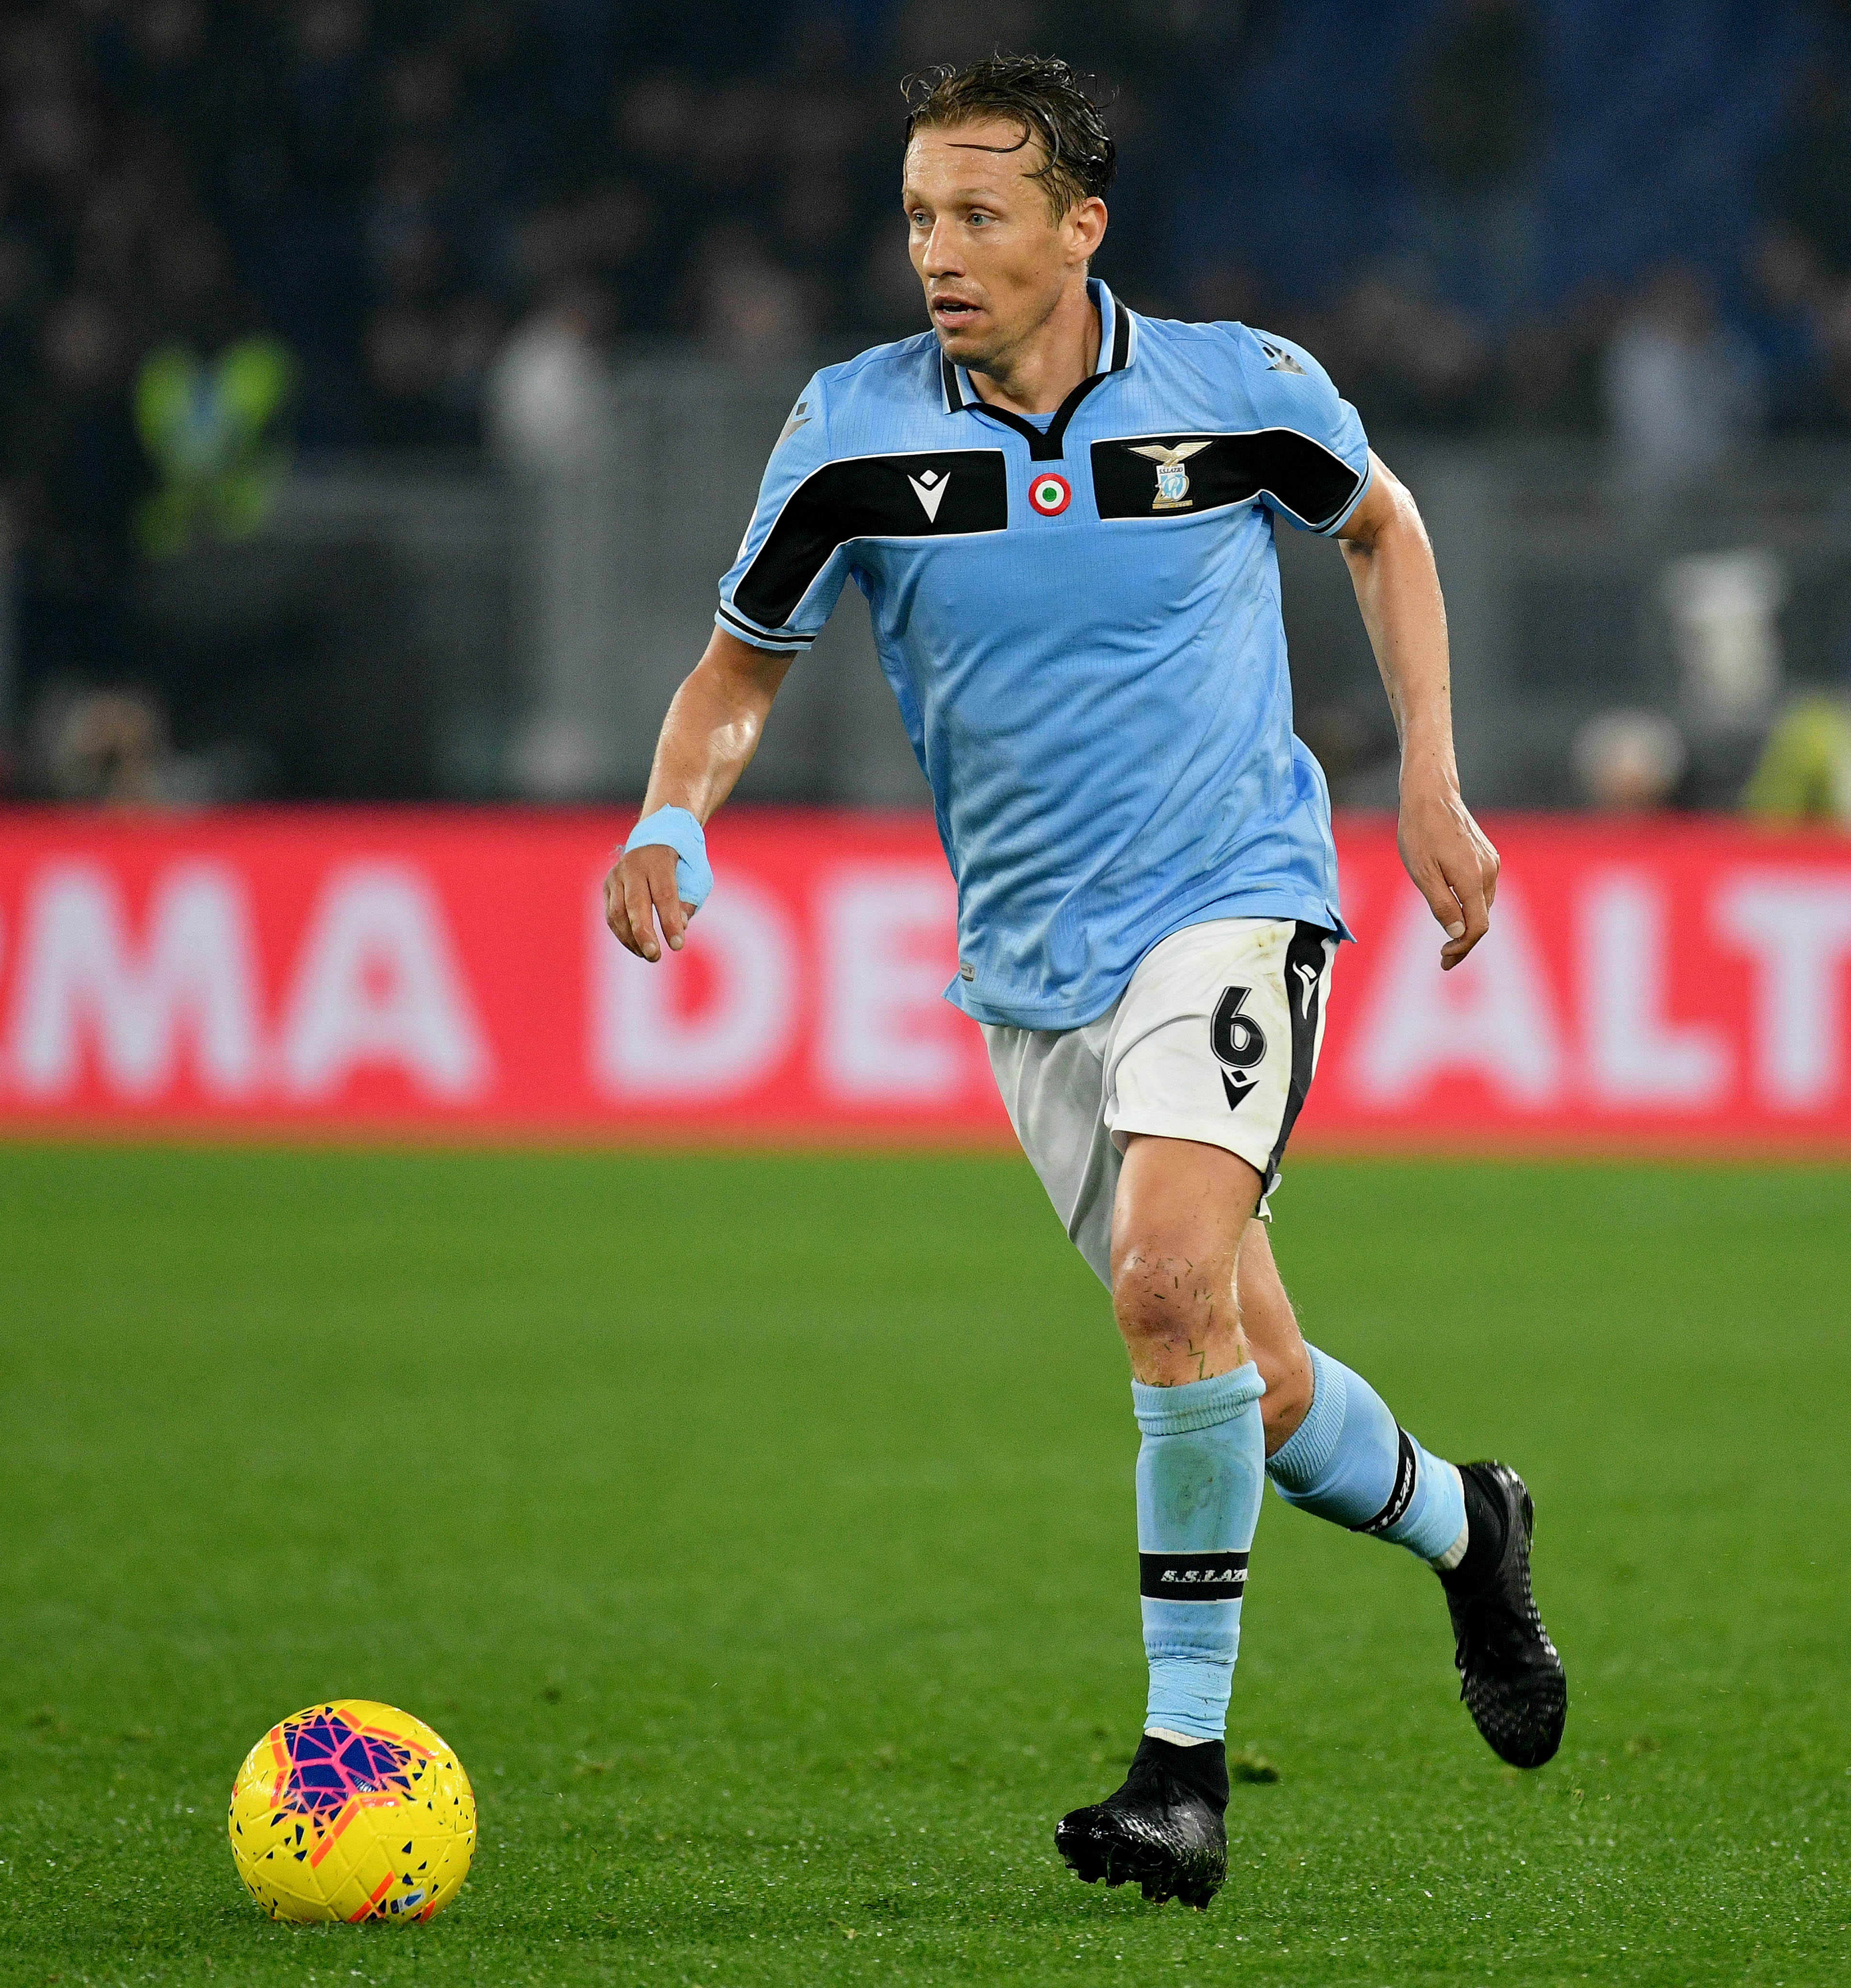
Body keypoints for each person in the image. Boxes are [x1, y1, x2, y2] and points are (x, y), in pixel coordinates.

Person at [599, 55, 1564, 1911]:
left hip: (1234, 897)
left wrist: (1431, 778)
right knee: (1251, 1386)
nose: (937, 253)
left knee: (1163, 1284)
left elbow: (1383, 528)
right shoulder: (853, 432)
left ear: (1080, 228)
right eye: (916, 217)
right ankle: (1472, 1527)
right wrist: (671, 817)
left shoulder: (1238, 389)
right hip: (1034, 974)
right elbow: (739, 670)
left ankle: (1179, 1776)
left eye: (978, 214)